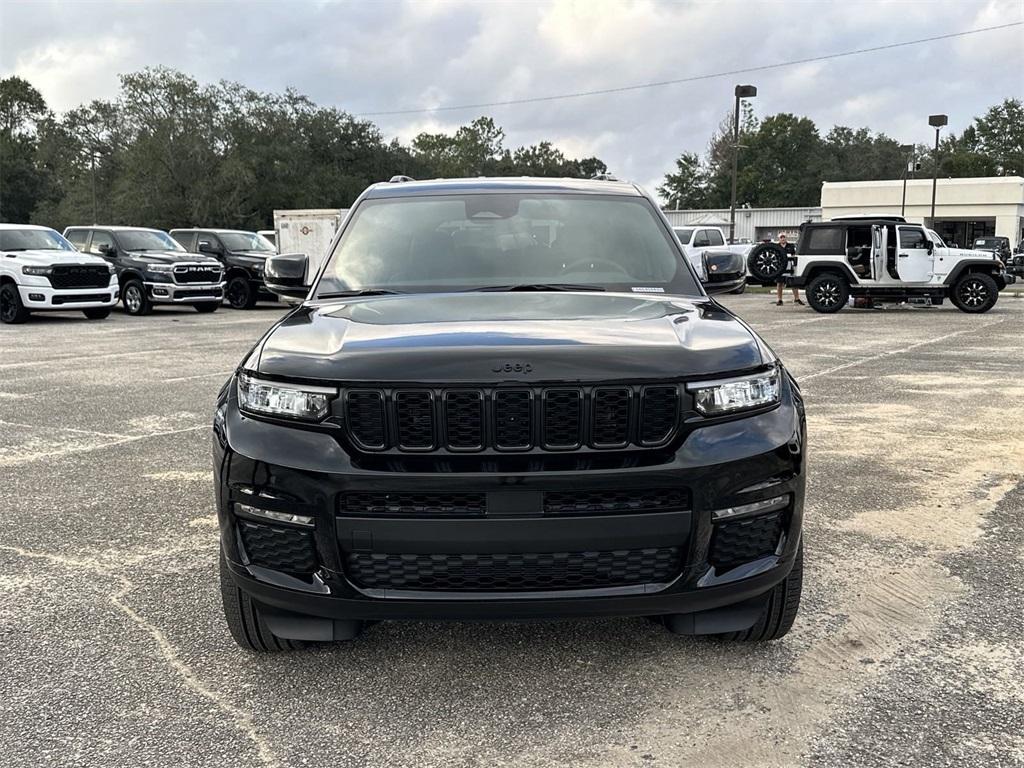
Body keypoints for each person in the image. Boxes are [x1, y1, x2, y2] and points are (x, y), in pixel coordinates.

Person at [774, 233, 803, 306]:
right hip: (780, 268)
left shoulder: (791, 246)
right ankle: (779, 300)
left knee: (793, 283)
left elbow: (794, 255)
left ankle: (797, 299)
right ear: (779, 239)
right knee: (779, 283)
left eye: (784, 237)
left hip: (789, 267)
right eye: (781, 237)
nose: (783, 239)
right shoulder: (776, 246)